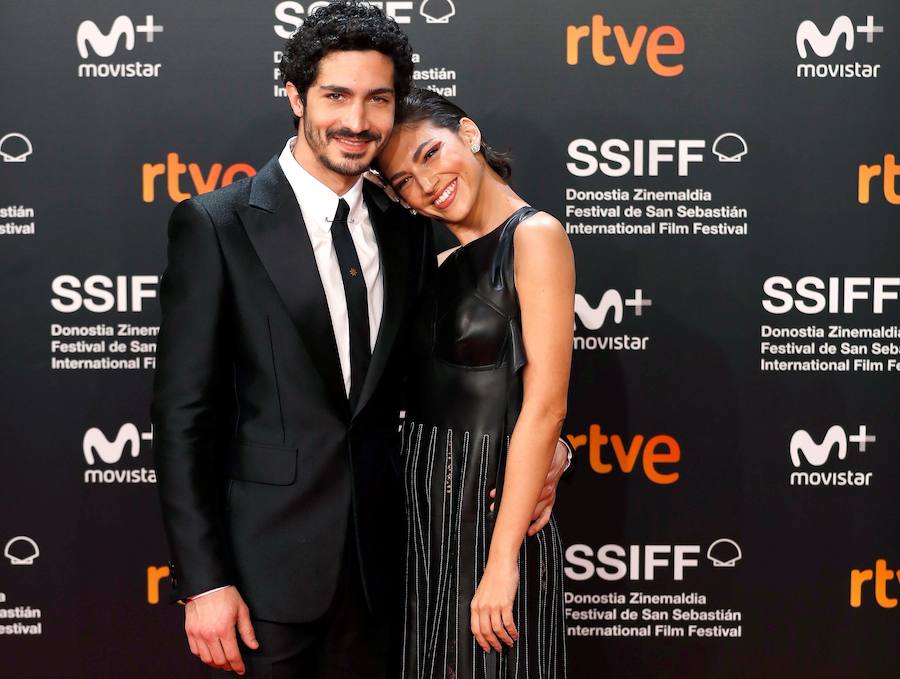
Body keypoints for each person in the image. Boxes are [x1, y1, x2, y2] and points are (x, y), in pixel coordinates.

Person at [150, 2, 571, 677]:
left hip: (395, 566)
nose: (356, 120)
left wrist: (555, 449)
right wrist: (202, 581)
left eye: (378, 99)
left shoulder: (407, 226)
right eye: (336, 95)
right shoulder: (217, 225)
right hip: (267, 578)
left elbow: (452, 375)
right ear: (296, 96)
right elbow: (181, 418)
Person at [375, 89, 574, 678]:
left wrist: (502, 561)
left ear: (469, 133)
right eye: (403, 182)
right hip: (421, 511)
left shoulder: (534, 236)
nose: (425, 184)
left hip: (488, 511)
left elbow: (544, 404)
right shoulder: (430, 268)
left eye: (431, 153)